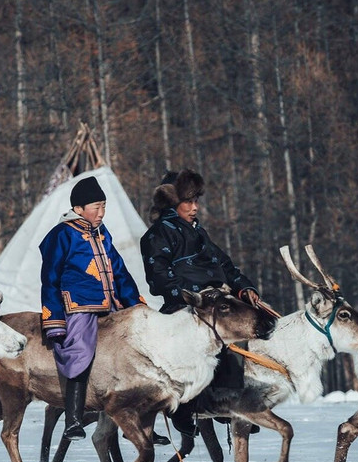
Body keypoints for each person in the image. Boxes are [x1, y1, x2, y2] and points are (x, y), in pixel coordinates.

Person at [140, 170, 260, 437]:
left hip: (215, 302)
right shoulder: (157, 235)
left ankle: (227, 402)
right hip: (185, 306)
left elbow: (225, 265)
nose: (195, 207)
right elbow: (158, 278)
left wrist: (245, 287)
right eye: (188, 202)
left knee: (238, 331)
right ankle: (182, 409)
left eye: (197, 201)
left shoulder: (199, 232)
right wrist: (193, 296)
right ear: (172, 203)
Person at [40, 176, 145, 440]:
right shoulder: (61, 234)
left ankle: (138, 417)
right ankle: (73, 419)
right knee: (80, 351)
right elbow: (49, 277)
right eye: (96, 207)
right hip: (79, 307)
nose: (101, 213)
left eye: (104, 207)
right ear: (78, 209)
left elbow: (119, 270)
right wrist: (53, 318)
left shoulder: (102, 233)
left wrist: (134, 305)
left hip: (110, 306)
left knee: (134, 350)